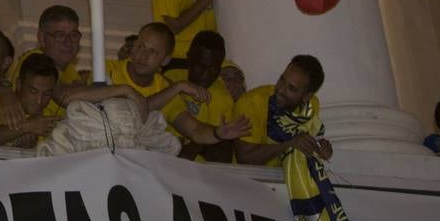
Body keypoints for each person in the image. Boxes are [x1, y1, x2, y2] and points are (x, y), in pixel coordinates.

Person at [162, 30, 250, 162]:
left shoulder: (222, 97)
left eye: (213, 69)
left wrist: (196, 146)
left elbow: (223, 152)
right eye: (200, 66)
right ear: (188, 58)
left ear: (220, 68)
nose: (205, 74)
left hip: (199, 169)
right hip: (163, 154)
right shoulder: (171, 77)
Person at [233, 55, 332, 166]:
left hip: (287, 178)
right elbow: (245, 158)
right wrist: (288, 145)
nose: (280, 89)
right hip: (249, 179)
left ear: (306, 97)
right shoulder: (250, 103)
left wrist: (320, 148)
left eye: (291, 88)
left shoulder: (312, 105)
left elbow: (307, 143)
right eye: (282, 79)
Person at [0, 5, 88, 126]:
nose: (68, 42)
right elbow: (65, 96)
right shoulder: (35, 58)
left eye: (73, 35)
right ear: (41, 38)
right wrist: (122, 89)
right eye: (60, 35)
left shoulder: (71, 71)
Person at [106, 22, 208, 112]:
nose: (143, 56)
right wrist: (178, 86)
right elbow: (127, 111)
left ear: (165, 60)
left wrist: (218, 133)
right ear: (134, 45)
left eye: (152, 51)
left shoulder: (166, 89)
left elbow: (194, 129)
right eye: (141, 46)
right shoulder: (107, 68)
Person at [0, 54, 63, 148]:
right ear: (19, 84)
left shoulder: (51, 119)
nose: (39, 101)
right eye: (33, 91)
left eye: (47, 94)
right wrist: (27, 126)